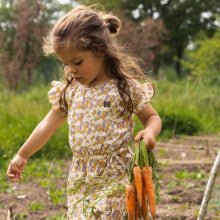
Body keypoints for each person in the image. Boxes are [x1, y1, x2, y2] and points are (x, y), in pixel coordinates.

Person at [7, 5, 162, 220]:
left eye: (77, 62)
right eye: (65, 63)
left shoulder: (124, 88)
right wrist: (22, 154)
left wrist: (150, 132)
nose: (70, 69)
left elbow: (151, 117)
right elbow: (47, 125)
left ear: (100, 51)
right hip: (81, 176)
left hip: (115, 175)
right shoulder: (70, 91)